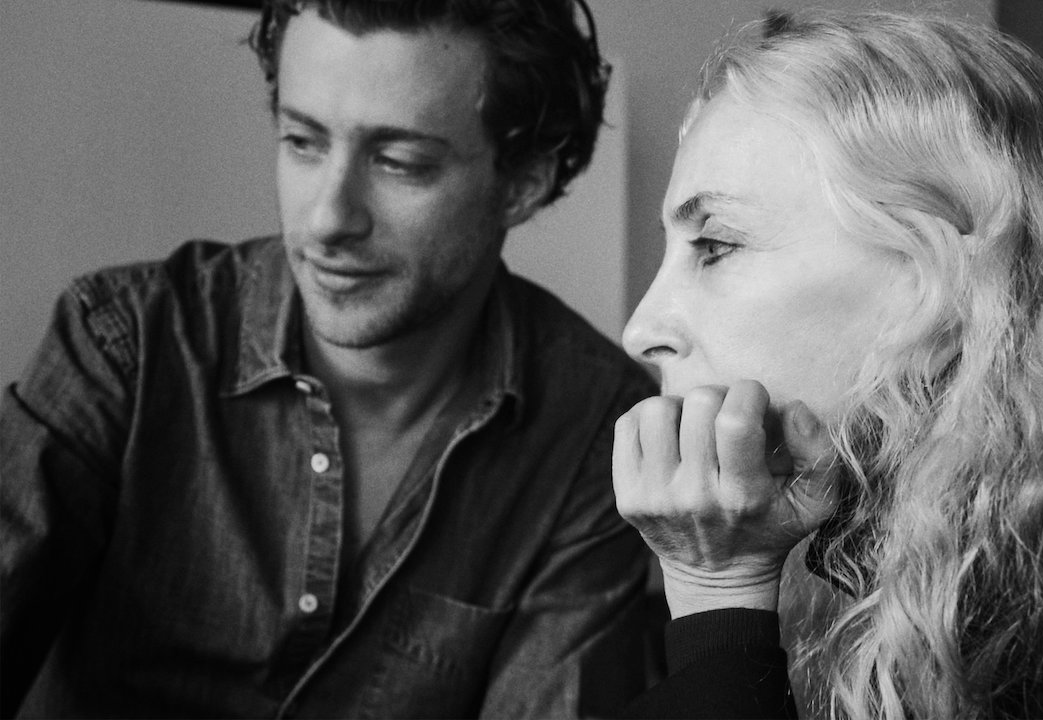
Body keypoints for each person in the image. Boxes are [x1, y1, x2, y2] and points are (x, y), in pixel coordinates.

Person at [613, 9, 1043, 719]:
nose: (641, 331)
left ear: (944, 275)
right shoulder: (893, 537)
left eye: (716, 245)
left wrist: (717, 593)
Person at [0, 1, 655, 717]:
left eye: (400, 163)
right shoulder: (126, 342)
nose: (327, 219)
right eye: (303, 142)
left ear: (524, 182)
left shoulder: (594, 428)